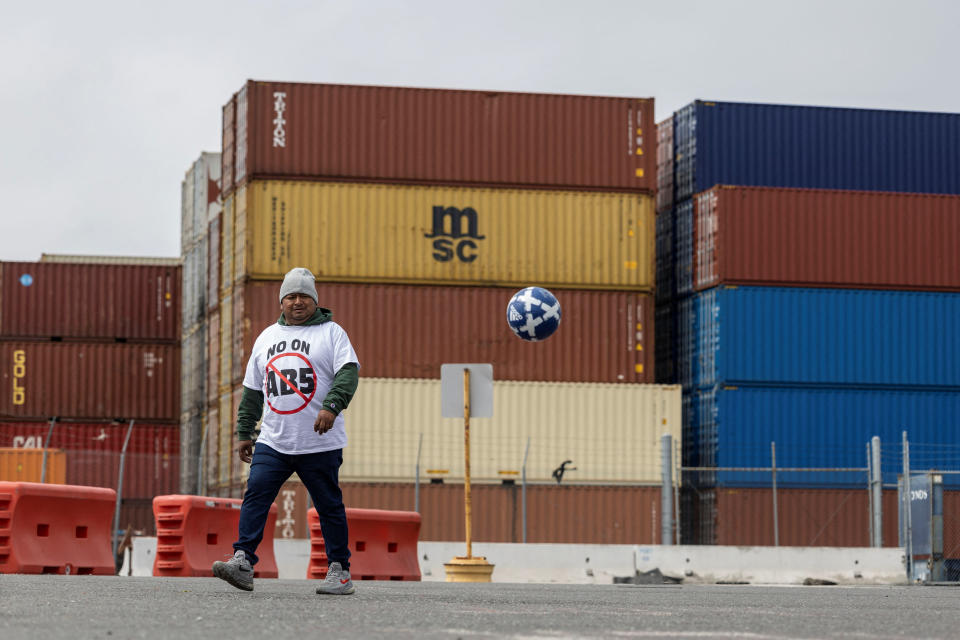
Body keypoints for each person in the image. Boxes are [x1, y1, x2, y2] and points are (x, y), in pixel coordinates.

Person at [213, 267, 360, 595]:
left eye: (304, 296)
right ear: (281, 301)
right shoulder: (266, 337)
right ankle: (243, 561)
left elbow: (348, 373)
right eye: (291, 296)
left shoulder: (332, 333)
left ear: (314, 301)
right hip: (274, 439)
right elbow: (253, 391)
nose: (297, 302)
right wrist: (243, 431)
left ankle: (340, 571)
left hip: (318, 440)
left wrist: (331, 406)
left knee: (328, 506)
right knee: (256, 495)